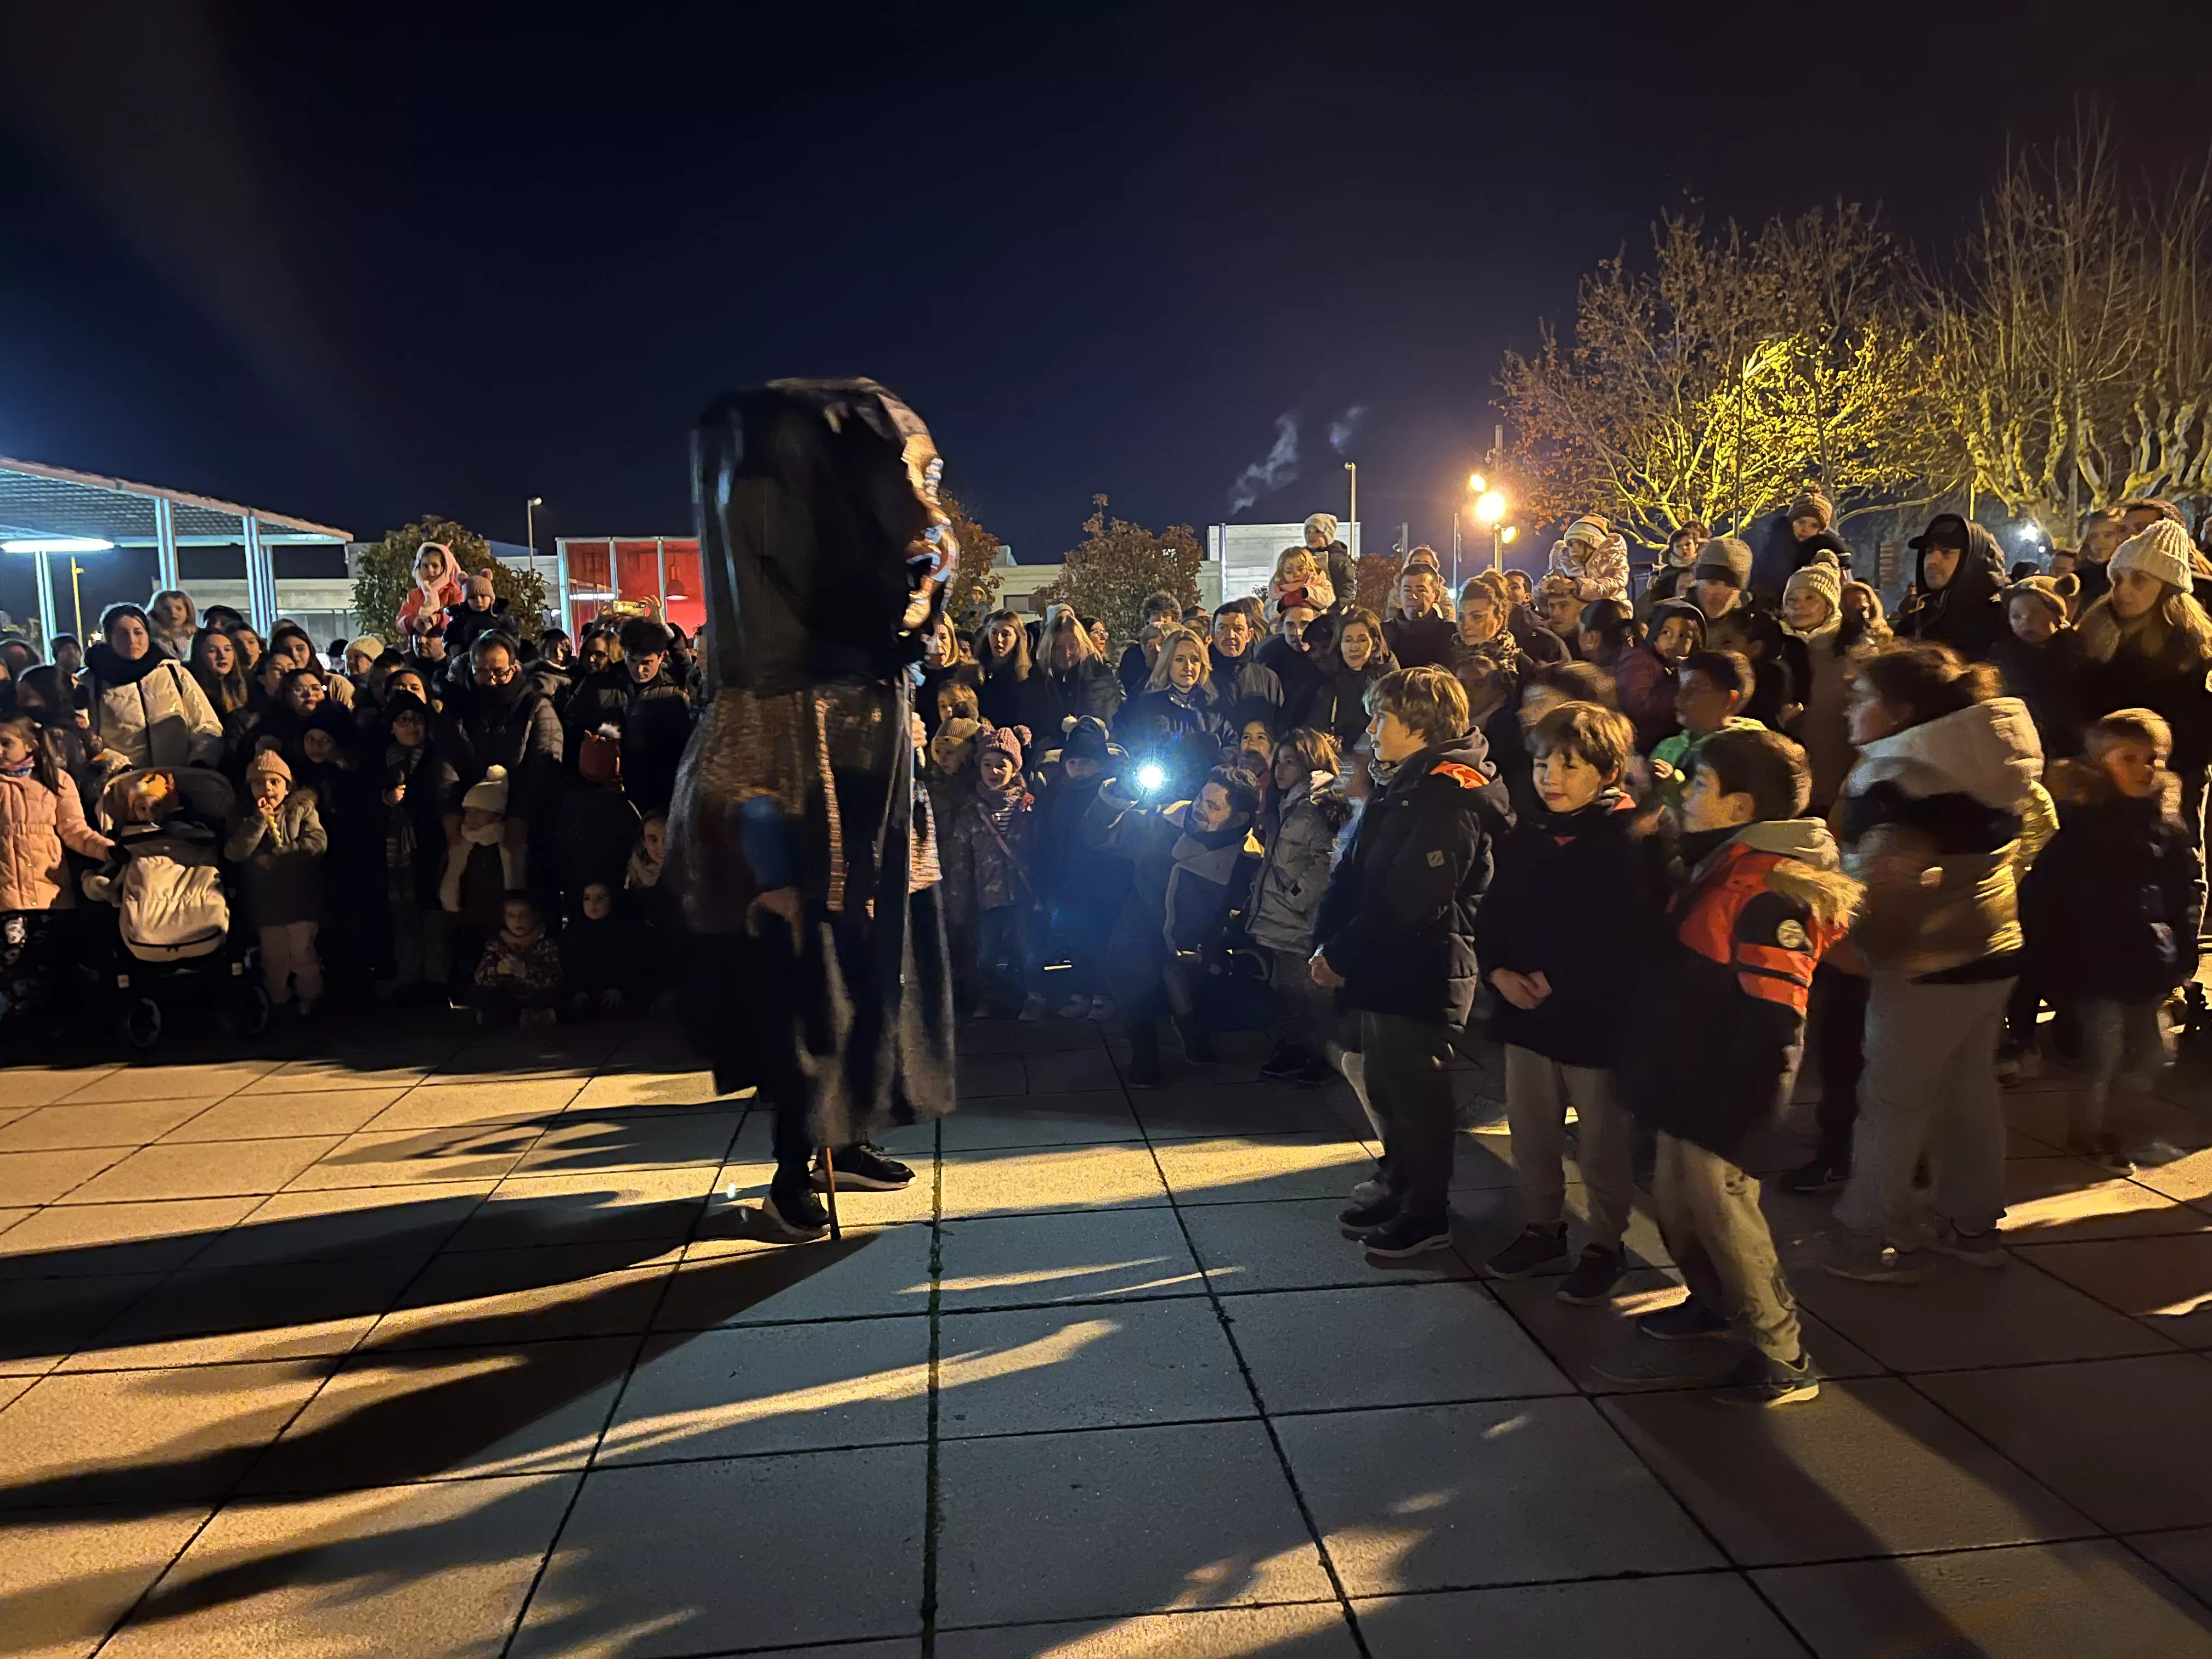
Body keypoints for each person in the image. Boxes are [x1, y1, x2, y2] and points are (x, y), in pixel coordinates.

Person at [666, 379, 955, 1242]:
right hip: (802, 863)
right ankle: (795, 1171)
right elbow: (744, 776)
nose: (923, 506)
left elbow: (919, 605)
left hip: (880, 838)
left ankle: (853, 1135)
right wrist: (776, 875)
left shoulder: (871, 645)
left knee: (879, 992)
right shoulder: (777, 662)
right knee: (809, 1010)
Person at [1618, 729, 1859, 1405]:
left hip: (1725, 1088)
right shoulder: (1722, 861)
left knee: (1725, 1210)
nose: (1688, 796)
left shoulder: (1769, 887)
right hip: (1688, 1071)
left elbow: (1775, 1018)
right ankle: (1715, 1303)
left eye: (1700, 786)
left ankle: (1784, 1352)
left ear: (1740, 803)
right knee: (1676, 1201)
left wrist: (1741, 1107)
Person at [1826, 644, 2049, 1285]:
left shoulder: (1895, 783)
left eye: (1862, 699)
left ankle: (1866, 1235)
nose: (1850, 709)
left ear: (1901, 713)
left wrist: (1854, 946)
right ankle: (1973, 1226)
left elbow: (1882, 883)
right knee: (1970, 1092)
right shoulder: (1991, 764)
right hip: (1996, 949)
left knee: (1893, 1103)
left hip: (1923, 962)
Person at [1316, 666, 1510, 1258]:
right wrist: (1331, 941)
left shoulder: (1449, 792)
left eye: (1384, 718)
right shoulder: (1409, 780)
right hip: (1388, 965)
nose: (1371, 729)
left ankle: (1427, 1211)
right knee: (1388, 1083)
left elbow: (1412, 899)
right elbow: (1360, 875)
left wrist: (1342, 950)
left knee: (1417, 1093)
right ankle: (1400, 1185)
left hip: (1421, 967)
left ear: (1421, 726)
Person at [1475, 703, 1654, 1302]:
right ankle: (1542, 1226)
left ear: (1606, 772)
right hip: (1526, 1013)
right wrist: (1496, 970)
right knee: (1531, 1132)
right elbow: (1493, 910)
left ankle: (1606, 1243)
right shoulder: (1526, 830)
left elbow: (1628, 933)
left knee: (1602, 1139)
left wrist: (1558, 978)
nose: (1550, 776)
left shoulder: (1630, 838)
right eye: (1543, 762)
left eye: (1568, 764)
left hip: (1595, 1022)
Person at [2021, 710, 2202, 1167]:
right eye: (2130, 758)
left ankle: (2130, 1130)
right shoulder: (2080, 826)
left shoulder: (2165, 824)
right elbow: (2045, 897)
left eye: (2154, 759)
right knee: (2102, 1051)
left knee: (2152, 1052)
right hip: (2093, 962)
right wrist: (2053, 964)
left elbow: (2183, 891)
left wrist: (2182, 946)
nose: (2146, 769)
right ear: (2102, 763)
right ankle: (2089, 1131)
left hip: (2147, 957)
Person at [2075, 519, 2212, 885]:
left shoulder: (2193, 650)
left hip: (2168, 783)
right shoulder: (2093, 634)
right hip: (2104, 779)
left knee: (2177, 873)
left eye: (2139, 580)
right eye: (2117, 578)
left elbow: (2201, 732)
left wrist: (2158, 764)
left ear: (2167, 589)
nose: (2123, 590)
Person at [1247, 726, 1351, 1082]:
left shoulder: (1318, 806)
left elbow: (1328, 860)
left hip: (1301, 916)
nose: (1280, 768)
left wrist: (1296, 897)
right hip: (1284, 913)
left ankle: (1317, 1054)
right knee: (1288, 986)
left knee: (1308, 991)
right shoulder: (1288, 804)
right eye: (1279, 761)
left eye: (1290, 762)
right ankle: (1293, 1047)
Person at [0, 713, 111, 1023]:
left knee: (51, 962)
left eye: (6, 743)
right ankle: (19, 1025)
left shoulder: (56, 781)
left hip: (50, 891)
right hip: (7, 896)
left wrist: (108, 850)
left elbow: (75, 830)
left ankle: (54, 1025)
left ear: (30, 746)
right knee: (14, 963)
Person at [943, 726, 1043, 1019]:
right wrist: (958, 900)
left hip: (1024, 893)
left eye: (1002, 764)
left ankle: (1034, 998)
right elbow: (960, 860)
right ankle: (991, 998)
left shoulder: (1029, 807)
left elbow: (1041, 848)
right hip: (987, 895)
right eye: (987, 764)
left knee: (1029, 951)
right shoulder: (971, 811)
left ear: (1014, 768)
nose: (994, 771)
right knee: (987, 955)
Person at [1031, 715, 1126, 1020]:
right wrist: (1047, 882)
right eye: (1072, 763)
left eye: (1086, 762)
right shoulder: (1058, 797)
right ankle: (1082, 992)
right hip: (1070, 883)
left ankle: (1104, 994)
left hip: (1105, 883)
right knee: (1077, 939)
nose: (1078, 769)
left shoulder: (1112, 794)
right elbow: (1047, 840)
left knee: (1103, 941)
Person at [225, 748, 329, 1015]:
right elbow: (235, 851)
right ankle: (278, 1000)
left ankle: (310, 997)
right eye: (259, 783)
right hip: (267, 905)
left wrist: (280, 857)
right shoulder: (244, 817)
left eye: (274, 782)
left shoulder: (303, 811)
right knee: (274, 957)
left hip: (300, 900)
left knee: (303, 953)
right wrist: (259, 822)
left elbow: (316, 843)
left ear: (287, 785)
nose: (267, 789)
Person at [84, 603, 224, 770]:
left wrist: (200, 761)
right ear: (109, 638)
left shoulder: (173, 673)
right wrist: (120, 767)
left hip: (181, 779)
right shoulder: (92, 681)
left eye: (138, 632)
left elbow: (206, 723)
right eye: (122, 633)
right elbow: (87, 736)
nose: (132, 640)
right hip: (125, 784)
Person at [1779, 560, 1860, 812]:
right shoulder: (1774, 648)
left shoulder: (1855, 652)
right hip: (1789, 783)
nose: (1799, 606)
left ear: (1829, 604)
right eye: (1792, 599)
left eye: (1810, 598)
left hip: (1841, 779)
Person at [1989, 574, 2088, 761]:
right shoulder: (2003, 655)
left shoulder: (2073, 654)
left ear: (2057, 617)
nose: (2026, 621)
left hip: (2062, 744)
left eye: (2035, 613)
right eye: (2016, 616)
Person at [1650, 650, 1763, 811]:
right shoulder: (1668, 748)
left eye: (1693, 691)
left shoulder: (1751, 750)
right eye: (1680, 689)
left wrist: (1676, 788)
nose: (1678, 700)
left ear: (1729, 699)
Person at [1115, 623, 1234, 770]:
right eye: (1180, 659)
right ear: (1167, 662)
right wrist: (1195, 746)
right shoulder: (1149, 705)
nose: (1188, 667)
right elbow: (1156, 741)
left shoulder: (1214, 703)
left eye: (1195, 660)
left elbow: (1233, 746)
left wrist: (1214, 763)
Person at [1896, 513, 2008, 662]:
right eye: (1929, 552)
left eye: (1946, 552)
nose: (1932, 561)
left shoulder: (2002, 625)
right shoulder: (1910, 626)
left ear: (1973, 561)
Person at [1616, 597, 1703, 755]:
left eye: (1684, 636)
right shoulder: (1638, 658)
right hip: (1642, 745)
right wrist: (1681, 688)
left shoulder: (1684, 667)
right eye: (1666, 633)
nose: (1674, 641)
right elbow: (1639, 704)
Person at [1023, 604, 1122, 733]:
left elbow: (1114, 720)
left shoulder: (1100, 675)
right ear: (1049, 648)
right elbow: (1030, 723)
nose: (1066, 654)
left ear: (1082, 645)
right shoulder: (1037, 678)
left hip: (1094, 746)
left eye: (1073, 646)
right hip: (1050, 748)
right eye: (1059, 647)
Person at [1307, 606, 1395, 749]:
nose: (1354, 647)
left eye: (1362, 640)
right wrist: (1324, 738)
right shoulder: (1329, 678)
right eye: (1348, 641)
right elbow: (1317, 724)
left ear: (1374, 645)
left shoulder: (1388, 681)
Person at [472, 891, 562, 1026]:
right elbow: (480, 977)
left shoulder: (546, 944)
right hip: (509, 996)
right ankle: (520, 1017)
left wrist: (525, 972)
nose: (518, 921)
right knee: (481, 996)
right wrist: (498, 971)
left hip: (535, 996)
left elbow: (554, 977)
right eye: (511, 915)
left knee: (559, 996)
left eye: (524, 915)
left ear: (535, 916)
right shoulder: (497, 945)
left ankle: (533, 1016)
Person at [1207, 602, 1284, 719]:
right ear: (1213, 634)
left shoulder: (1268, 679)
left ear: (1249, 635)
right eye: (1222, 628)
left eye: (1238, 629)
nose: (1230, 635)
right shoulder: (1202, 677)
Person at [1384, 563, 1454, 668]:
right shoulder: (1383, 635)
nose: (1413, 596)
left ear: (1437, 595)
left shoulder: (1451, 635)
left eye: (1421, 590)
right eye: (1407, 590)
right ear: (1399, 594)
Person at [1549, 514, 1630, 602]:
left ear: (1593, 544)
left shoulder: (1612, 556)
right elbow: (1542, 593)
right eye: (1570, 544)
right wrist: (1551, 585)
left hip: (1611, 607)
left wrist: (1577, 585)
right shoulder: (1565, 562)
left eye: (1580, 543)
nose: (1574, 549)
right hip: (1576, 610)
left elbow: (1617, 583)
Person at [975, 608, 1034, 730]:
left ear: (1017, 638)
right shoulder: (975, 671)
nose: (999, 639)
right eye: (994, 633)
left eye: (1005, 634)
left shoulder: (1028, 676)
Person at [1118, 592, 1182, 701]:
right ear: (1148, 619)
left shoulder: (1180, 651)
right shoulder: (1132, 654)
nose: (1161, 619)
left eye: (1166, 615)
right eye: (1156, 614)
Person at [1689, 537, 1754, 623]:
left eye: (1729, 584)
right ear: (1697, 582)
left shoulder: (1752, 627)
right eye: (1712, 582)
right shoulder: (1672, 617)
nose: (1719, 593)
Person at [1644, 522, 1708, 611]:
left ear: (1696, 545)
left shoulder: (1704, 568)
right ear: (1672, 549)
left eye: (1688, 544)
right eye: (1678, 546)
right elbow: (1654, 601)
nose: (1684, 548)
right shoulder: (1665, 573)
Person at [2074, 507, 2125, 608]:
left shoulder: (2127, 573)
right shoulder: (2081, 578)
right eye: (2093, 536)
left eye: (2108, 535)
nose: (2100, 542)